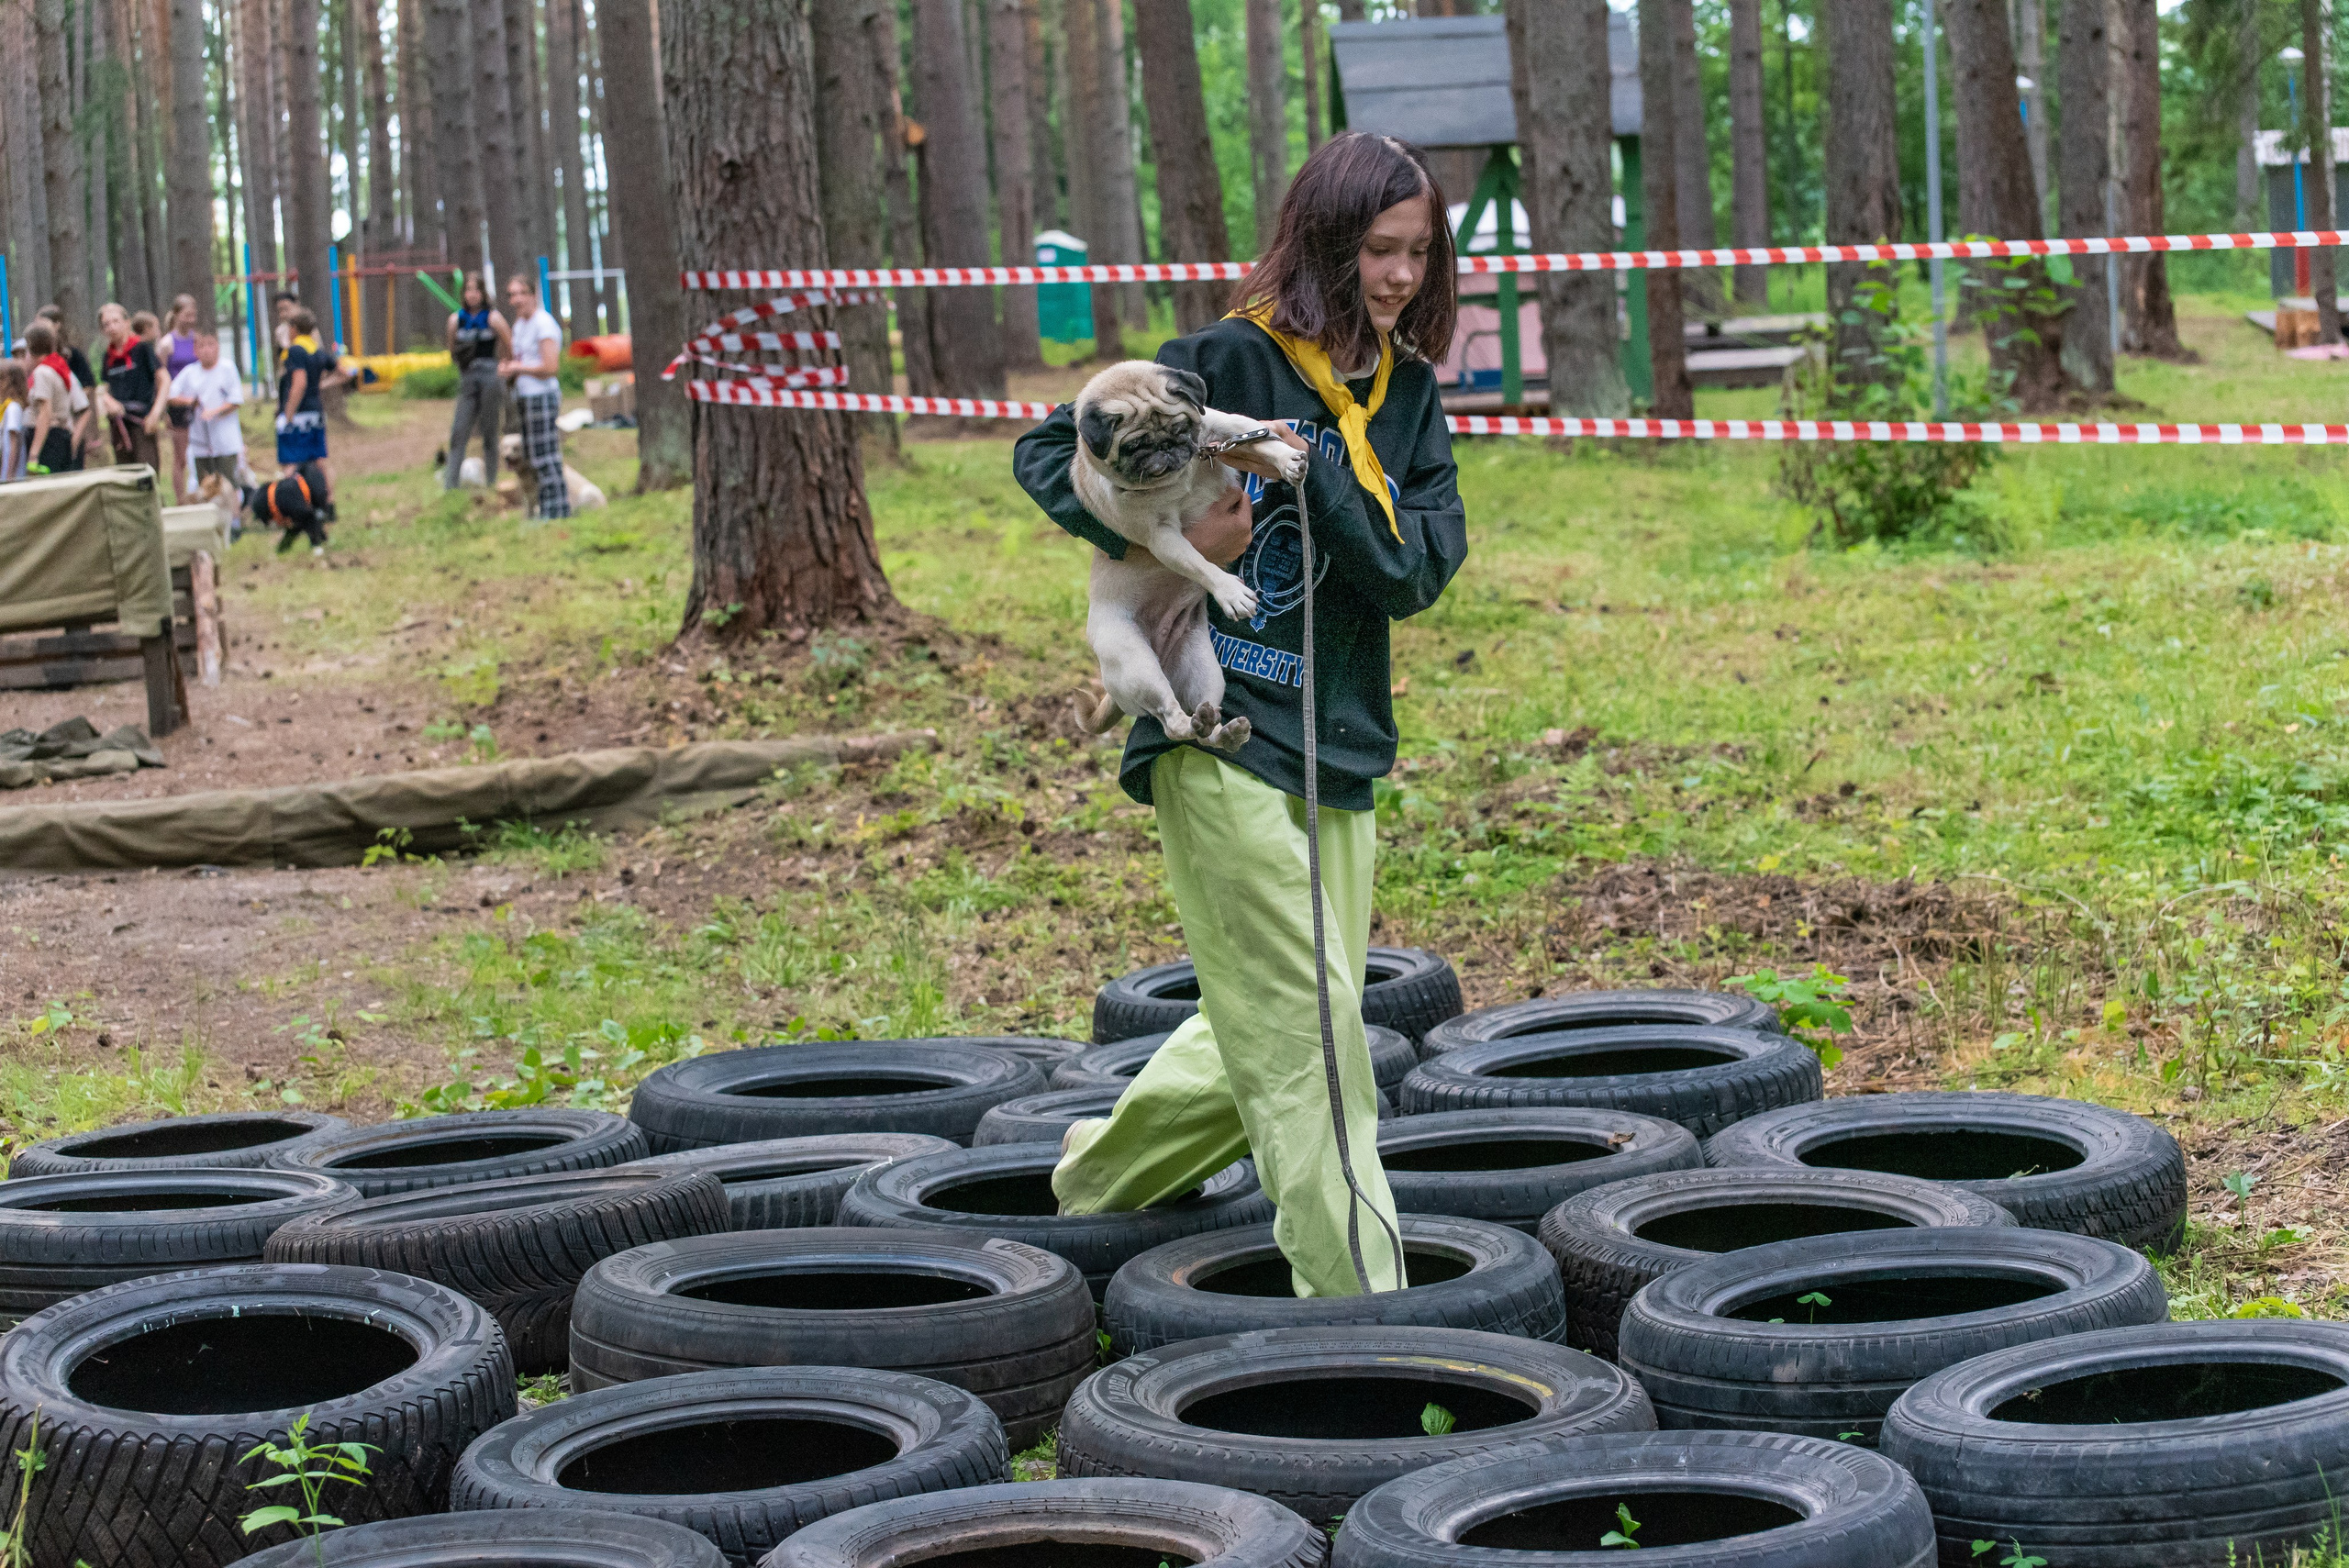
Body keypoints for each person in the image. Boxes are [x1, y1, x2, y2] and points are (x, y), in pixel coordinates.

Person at [1012, 132, 1467, 1299]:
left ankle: (1097, 1181)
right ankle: (1366, 1310)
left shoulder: (1408, 400)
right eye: (1377, 249)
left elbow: (1416, 571)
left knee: (1265, 1011)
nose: (1400, 276)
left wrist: (1311, 471)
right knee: (1313, 1027)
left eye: (1419, 252)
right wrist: (1148, 520)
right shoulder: (1222, 358)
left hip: (1343, 742)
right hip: (1215, 733)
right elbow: (1045, 448)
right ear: (1324, 242)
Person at [501, 274, 568, 519]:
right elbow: (522, 361)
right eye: (511, 295)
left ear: (532, 296)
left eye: (520, 293)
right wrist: (509, 369)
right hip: (525, 397)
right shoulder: (519, 326)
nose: (516, 300)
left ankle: (557, 510)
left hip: (542, 396)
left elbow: (550, 367)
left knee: (545, 457)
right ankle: (542, 508)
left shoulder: (544, 324)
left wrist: (518, 369)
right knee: (531, 456)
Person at [444, 272, 510, 489]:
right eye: (468, 290)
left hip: (490, 376)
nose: (472, 295)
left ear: (483, 293)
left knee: (490, 430)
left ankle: (491, 481)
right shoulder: (456, 320)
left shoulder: (493, 318)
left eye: (476, 290)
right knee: (459, 431)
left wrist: (504, 366)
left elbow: (509, 343)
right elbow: (452, 349)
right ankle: (450, 485)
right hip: (468, 377)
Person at [276, 304, 347, 503]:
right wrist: (322, 384)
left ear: (294, 329)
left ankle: (292, 503)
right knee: (319, 460)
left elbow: (299, 384)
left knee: (290, 462)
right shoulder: (317, 350)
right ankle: (329, 502)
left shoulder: (295, 351)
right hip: (316, 413)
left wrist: (288, 414)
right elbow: (344, 373)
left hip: (299, 416)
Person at [169, 327, 246, 504]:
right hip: (200, 441)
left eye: (210, 345)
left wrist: (214, 412)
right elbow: (171, 395)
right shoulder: (190, 372)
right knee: (204, 482)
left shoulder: (227, 368)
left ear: (218, 347)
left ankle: (234, 524)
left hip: (225, 439)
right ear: (195, 350)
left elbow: (236, 400)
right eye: (201, 346)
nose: (206, 350)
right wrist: (190, 402)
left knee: (229, 482)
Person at [99, 304, 166, 474]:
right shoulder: (108, 356)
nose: (111, 327)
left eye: (115, 321)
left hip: (142, 422)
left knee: (147, 475)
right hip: (119, 424)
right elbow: (105, 388)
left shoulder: (142, 349)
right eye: (106, 324)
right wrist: (108, 401)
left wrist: (155, 414)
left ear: (127, 323)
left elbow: (164, 380)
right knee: (125, 477)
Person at [23, 319, 91, 474]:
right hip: (58, 438)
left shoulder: (42, 373)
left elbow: (45, 413)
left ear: (32, 348)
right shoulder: (58, 368)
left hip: (48, 441)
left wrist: (34, 454)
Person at [36, 306, 98, 465]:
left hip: (68, 424)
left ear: (57, 325)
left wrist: (63, 397)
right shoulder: (36, 365)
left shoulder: (70, 356)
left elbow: (87, 387)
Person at [157, 294, 204, 497]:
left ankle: (202, 493)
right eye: (186, 315)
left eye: (193, 315)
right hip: (177, 404)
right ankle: (180, 498)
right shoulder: (167, 343)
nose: (190, 320)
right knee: (181, 457)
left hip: (198, 402)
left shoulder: (197, 339)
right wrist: (164, 411)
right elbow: (161, 377)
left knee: (201, 452)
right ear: (176, 315)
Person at [0, 361, 27, 482]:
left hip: (11, 475)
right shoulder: (7, 408)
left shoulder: (13, 409)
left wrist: (9, 475)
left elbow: (13, 443)